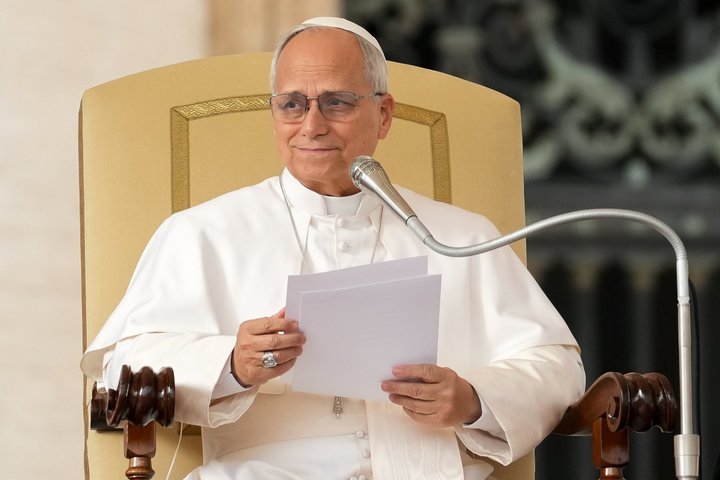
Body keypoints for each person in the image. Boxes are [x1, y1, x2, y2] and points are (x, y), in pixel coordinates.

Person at [81, 17, 585, 480]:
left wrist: (472, 400)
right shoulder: (202, 233)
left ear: (383, 115)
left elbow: (556, 368)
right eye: (292, 104)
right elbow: (123, 367)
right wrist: (232, 364)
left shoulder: (460, 236)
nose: (312, 124)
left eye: (337, 102)